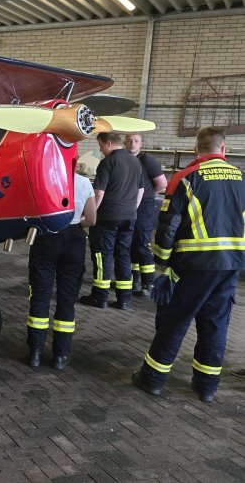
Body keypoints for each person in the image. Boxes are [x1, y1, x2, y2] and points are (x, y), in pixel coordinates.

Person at [132, 126, 245, 403]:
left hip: (192, 266)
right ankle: (206, 387)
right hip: (229, 265)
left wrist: (162, 261)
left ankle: (153, 379)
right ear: (224, 149)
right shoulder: (242, 178)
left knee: (174, 321)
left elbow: (168, 225)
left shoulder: (185, 178)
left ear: (196, 149)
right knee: (215, 325)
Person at [27, 171, 96, 370]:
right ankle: (60, 355)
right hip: (74, 241)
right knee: (67, 300)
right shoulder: (84, 182)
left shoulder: (43, 179)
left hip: (46, 237)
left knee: (40, 297)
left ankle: (35, 353)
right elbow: (92, 220)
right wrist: (75, 224)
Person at [79, 132, 143, 310]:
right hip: (129, 216)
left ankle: (100, 297)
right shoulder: (135, 161)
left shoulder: (108, 162)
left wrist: (90, 214)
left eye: (100, 145)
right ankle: (124, 299)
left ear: (108, 143)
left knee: (103, 255)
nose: (100, 150)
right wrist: (132, 209)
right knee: (123, 254)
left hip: (107, 217)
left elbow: (99, 193)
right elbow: (141, 190)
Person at [124, 133, 167, 296]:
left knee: (142, 242)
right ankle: (133, 279)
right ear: (124, 143)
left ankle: (148, 283)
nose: (132, 143)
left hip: (144, 206)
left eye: (136, 141)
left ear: (141, 144)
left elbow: (162, 184)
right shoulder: (125, 159)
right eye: (129, 141)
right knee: (130, 242)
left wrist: (148, 195)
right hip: (128, 205)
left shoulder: (147, 160)